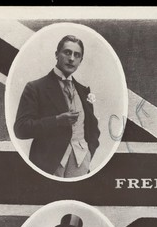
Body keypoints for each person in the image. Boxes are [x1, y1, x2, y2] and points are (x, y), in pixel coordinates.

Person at [14, 35, 100, 177]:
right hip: (47, 165)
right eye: (67, 52)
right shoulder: (35, 88)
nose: (71, 58)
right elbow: (21, 129)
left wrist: (88, 154)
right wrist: (57, 121)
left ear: (80, 61)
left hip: (81, 164)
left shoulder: (84, 91)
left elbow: (92, 129)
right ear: (56, 55)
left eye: (77, 55)